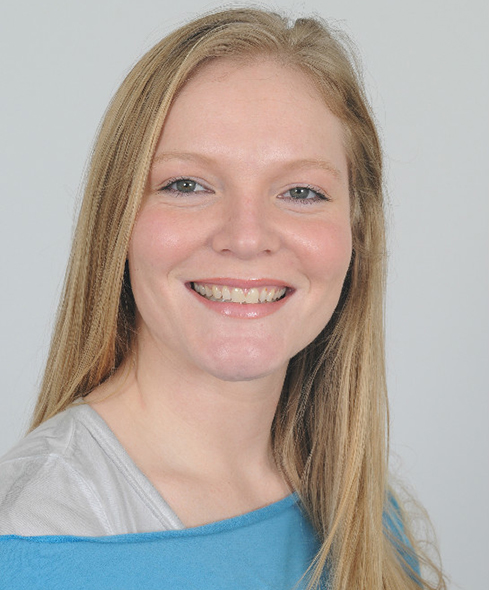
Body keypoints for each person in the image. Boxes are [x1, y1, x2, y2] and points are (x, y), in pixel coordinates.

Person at [0, 8, 445, 590]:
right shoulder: (40, 542)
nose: (246, 237)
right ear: (120, 222)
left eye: (302, 191)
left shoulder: (361, 508)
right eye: (188, 185)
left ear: (357, 234)